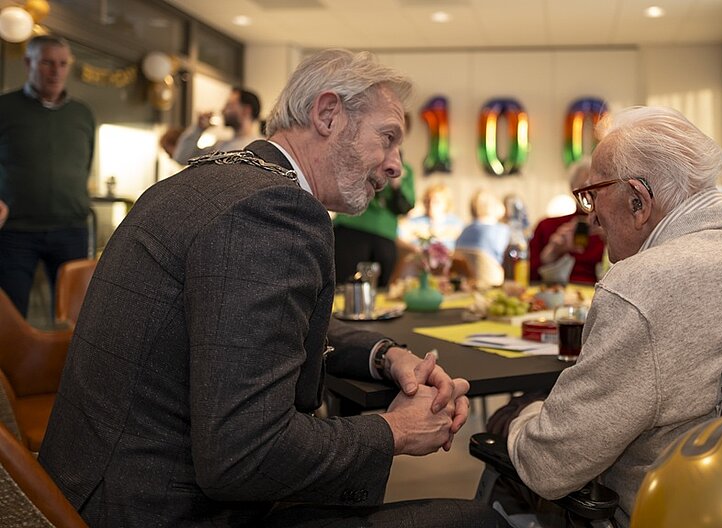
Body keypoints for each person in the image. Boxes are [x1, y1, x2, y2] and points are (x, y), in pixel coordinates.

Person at [39, 49, 503, 528]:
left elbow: (251, 327)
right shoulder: (274, 212)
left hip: (87, 490)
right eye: (387, 139)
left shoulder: (212, 182)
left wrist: (385, 354)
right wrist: (394, 432)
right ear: (328, 115)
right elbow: (246, 456)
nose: (396, 167)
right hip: (159, 510)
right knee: (478, 521)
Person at [494, 107, 722, 525]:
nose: (589, 216)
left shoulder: (639, 284)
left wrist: (523, 417)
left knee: (515, 421)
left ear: (638, 200)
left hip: (669, 510)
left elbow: (549, 466)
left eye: (593, 195)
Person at [0, 35, 95, 317]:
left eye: (63, 64)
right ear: (28, 62)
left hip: (71, 229)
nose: (56, 71)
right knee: (10, 319)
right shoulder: (4, 108)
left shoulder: (82, 114)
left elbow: (85, 163)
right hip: (15, 231)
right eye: (47, 63)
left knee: (78, 317)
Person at [332, 114, 416, 287]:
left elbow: (405, 206)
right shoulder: (362, 155)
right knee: (344, 287)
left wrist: (396, 185)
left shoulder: (404, 170)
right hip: (353, 228)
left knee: (381, 291)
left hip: (384, 236)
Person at [528, 160, 605, 284]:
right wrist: (553, 252)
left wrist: (611, 243)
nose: (589, 197)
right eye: (583, 190)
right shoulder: (547, 227)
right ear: (572, 190)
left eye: (596, 190)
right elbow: (526, 279)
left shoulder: (616, 230)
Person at [172, 87, 264, 164]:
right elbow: (181, 158)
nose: (223, 110)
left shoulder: (261, 148)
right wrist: (198, 128)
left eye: (229, 105)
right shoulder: (220, 146)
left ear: (246, 110)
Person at [454, 190, 511, 286]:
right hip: (493, 280)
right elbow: (505, 257)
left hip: (466, 282)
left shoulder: (465, 229)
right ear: (495, 207)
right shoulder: (501, 230)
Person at [399, 182, 464, 251]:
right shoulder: (415, 222)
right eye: (428, 201)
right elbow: (400, 237)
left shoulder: (455, 223)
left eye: (436, 202)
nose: (431, 205)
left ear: (446, 203)